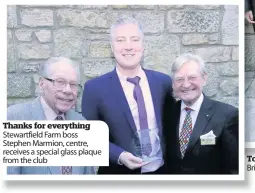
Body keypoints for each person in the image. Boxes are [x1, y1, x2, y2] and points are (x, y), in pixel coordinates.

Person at [82, 16, 175, 174]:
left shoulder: (163, 83)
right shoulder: (94, 88)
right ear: (112, 47)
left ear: (143, 45)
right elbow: (88, 136)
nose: (128, 46)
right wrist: (119, 155)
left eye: (134, 39)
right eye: (120, 40)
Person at [7, 57, 95, 175]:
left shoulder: (81, 123)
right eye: (60, 82)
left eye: (73, 84)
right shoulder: (15, 119)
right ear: (42, 84)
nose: (68, 90)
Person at [163, 53, 238, 174]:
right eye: (179, 79)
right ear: (173, 83)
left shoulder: (227, 115)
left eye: (192, 78)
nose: (186, 84)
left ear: (204, 78)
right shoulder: (168, 113)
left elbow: (234, 167)